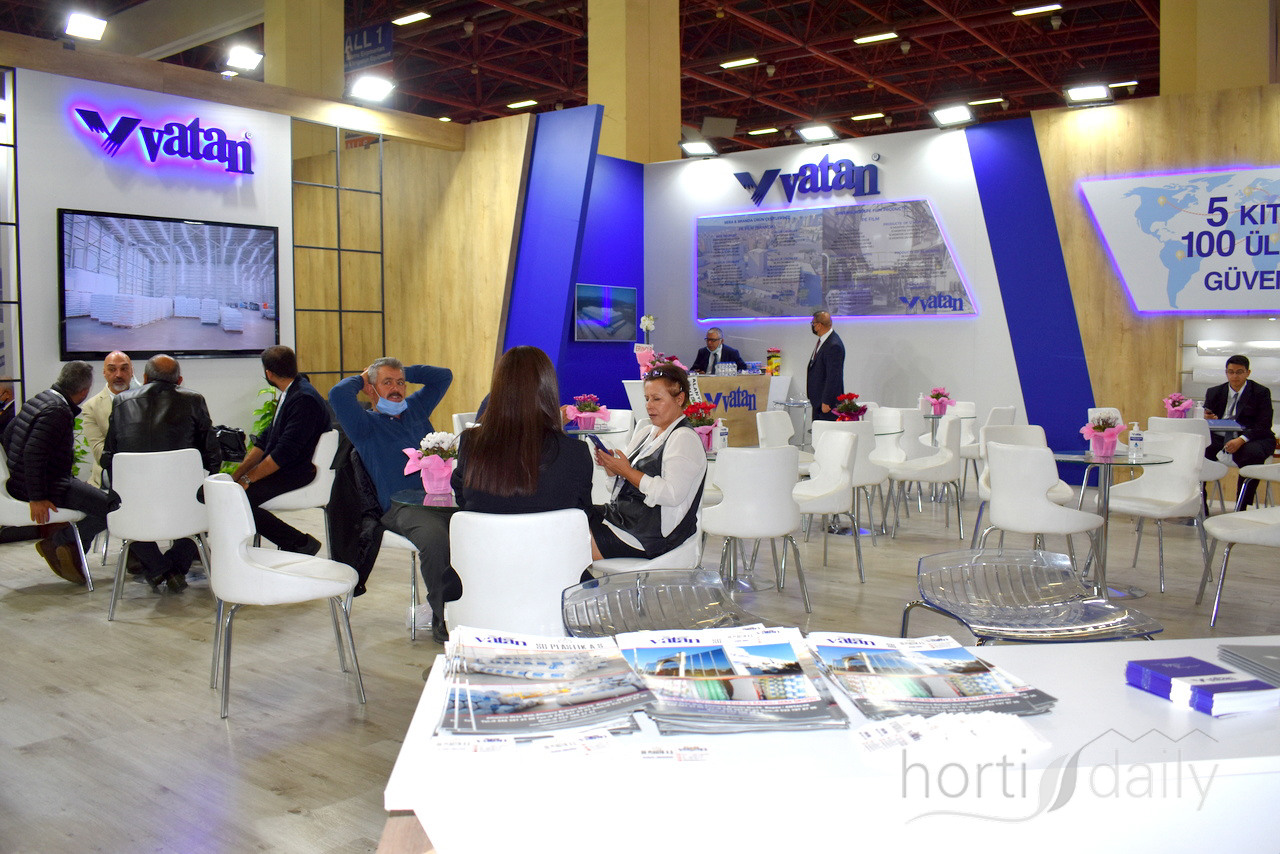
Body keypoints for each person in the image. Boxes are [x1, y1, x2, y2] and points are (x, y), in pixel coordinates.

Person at [400, 345, 592, 641]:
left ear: (498, 390)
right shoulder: (575, 453)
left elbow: (465, 501)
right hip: (556, 595)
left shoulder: (471, 444)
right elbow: (581, 517)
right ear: (549, 391)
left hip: (479, 593)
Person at [328, 357, 452, 620]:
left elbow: (443, 376)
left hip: (442, 499)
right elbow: (338, 394)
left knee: (478, 526)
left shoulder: (415, 409)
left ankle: (473, 607)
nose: (396, 388)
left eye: (400, 383)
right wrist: (364, 377)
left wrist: (404, 371)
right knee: (436, 538)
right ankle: (443, 616)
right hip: (402, 509)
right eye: (387, 382)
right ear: (371, 389)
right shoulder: (364, 426)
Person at [101, 355, 222, 592]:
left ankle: (159, 568)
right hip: (183, 499)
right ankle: (175, 567)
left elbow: (109, 455)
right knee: (208, 503)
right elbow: (212, 454)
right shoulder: (194, 400)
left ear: (145, 378)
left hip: (133, 499)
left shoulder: (121, 401)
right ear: (180, 380)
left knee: (114, 503)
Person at [3, 361, 116, 583]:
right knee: (112, 508)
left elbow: (8, 435)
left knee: (101, 503)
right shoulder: (57, 411)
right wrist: (37, 497)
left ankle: (71, 553)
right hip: (47, 486)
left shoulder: (41, 399)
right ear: (84, 391)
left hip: (25, 481)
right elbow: (33, 453)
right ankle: (59, 543)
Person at [591, 362, 706, 560]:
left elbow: (671, 495)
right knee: (571, 517)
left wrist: (626, 471)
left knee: (568, 543)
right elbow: (624, 486)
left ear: (679, 399)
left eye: (657, 399)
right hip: (624, 519)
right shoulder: (646, 432)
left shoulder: (683, 438)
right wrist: (613, 470)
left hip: (651, 537)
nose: (649, 405)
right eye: (647, 399)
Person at [230, 346, 330, 555]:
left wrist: (248, 479)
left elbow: (283, 453)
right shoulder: (293, 391)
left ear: (269, 373)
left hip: (296, 472)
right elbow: (265, 440)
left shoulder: (303, 399)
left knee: (236, 500)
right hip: (285, 467)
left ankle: (300, 543)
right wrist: (238, 475)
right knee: (223, 492)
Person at [1204, 354, 1275, 508]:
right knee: (1197, 450)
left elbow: (1264, 424)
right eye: (1230, 372)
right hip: (1220, 436)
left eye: (1239, 372)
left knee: (1252, 453)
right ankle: (1200, 505)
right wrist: (1206, 418)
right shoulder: (1214, 392)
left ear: (1248, 373)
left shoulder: (1260, 392)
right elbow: (1207, 418)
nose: (1234, 376)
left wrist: (1241, 440)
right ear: (1226, 372)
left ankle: (1241, 506)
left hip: (1252, 437)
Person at [80, 351, 138, 488]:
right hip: (109, 473)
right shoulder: (91, 407)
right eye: (112, 369)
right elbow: (99, 452)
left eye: (124, 369)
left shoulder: (148, 400)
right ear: (104, 373)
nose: (118, 374)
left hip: (144, 468)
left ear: (132, 372)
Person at [806, 309, 845, 422]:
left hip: (827, 404)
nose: (812, 326)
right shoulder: (824, 341)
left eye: (813, 324)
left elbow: (833, 376)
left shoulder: (833, 345)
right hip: (818, 400)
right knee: (817, 430)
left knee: (825, 431)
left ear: (819, 325)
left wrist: (826, 401)